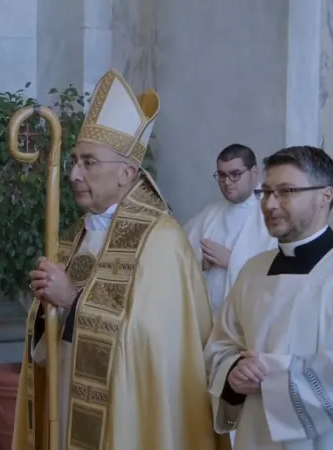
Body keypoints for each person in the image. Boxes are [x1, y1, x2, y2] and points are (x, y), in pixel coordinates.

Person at [12, 69, 230, 450]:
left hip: (125, 414)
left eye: (89, 162)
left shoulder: (160, 239)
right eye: (74, 161)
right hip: (67, 393)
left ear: (128, 172)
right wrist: (47, 309)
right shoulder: (74, 234)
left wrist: (74, 302)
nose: (75, 174)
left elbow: (155, 346)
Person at [205, 145, 333, 449]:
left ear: (325, 196)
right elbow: (219, 345)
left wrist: (271, 378)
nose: (270, 204)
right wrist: (233, 372)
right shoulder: (252, 271)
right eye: (266, 192)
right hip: (255, 435)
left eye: (286, 191)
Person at [185, 144, 276, 320]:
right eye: (221, 175)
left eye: (235, 174)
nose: (227, 182)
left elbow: (278, 272)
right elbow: (181, 256)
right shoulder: (209, 214)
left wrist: (232, 261)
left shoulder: (271, 214)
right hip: (206, 320)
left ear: (254, 172)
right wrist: (202, 263)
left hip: (247, 321)